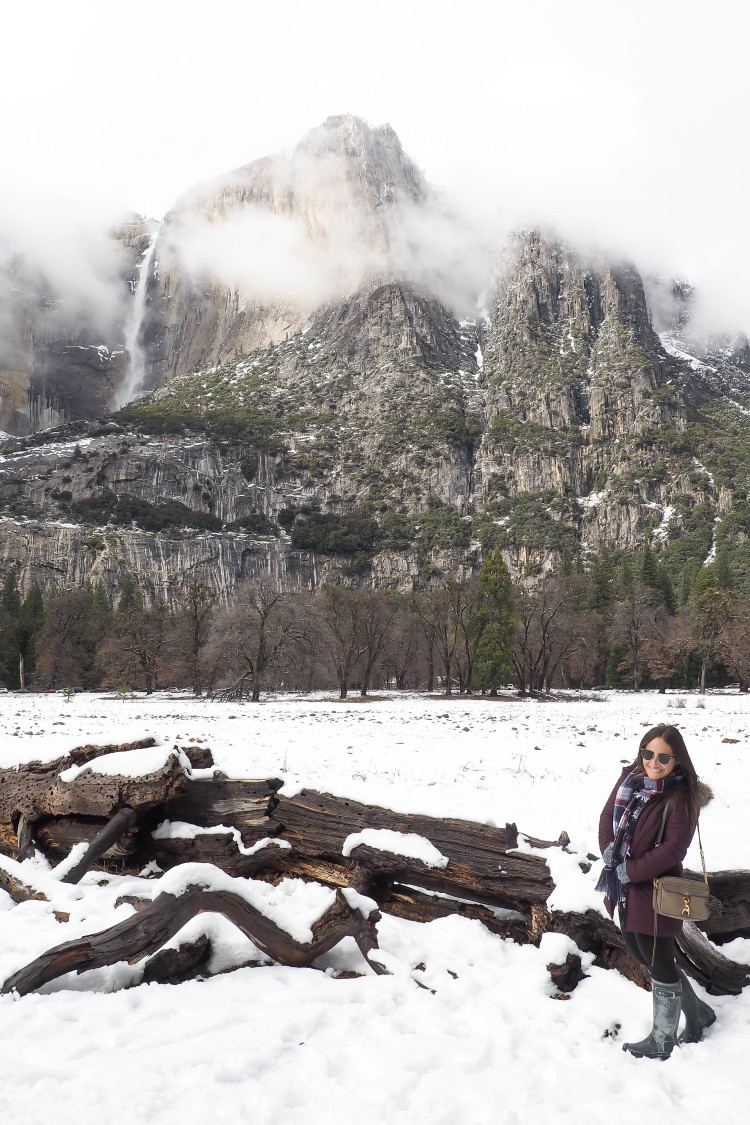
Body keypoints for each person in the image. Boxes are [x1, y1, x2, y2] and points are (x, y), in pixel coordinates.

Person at [597, 723, 714, 1059]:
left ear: (677, 760)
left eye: (664, 757)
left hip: (654, 888)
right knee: (637, 948)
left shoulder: (682, 796)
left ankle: (663, 1039)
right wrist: (609, 851)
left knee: (657, 957)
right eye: (648, 753)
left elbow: (674, 849)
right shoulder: (629, 778)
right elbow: (608, 816)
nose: (654, 761)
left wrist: (629, 869)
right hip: (624, 885)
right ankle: (699, 1013)